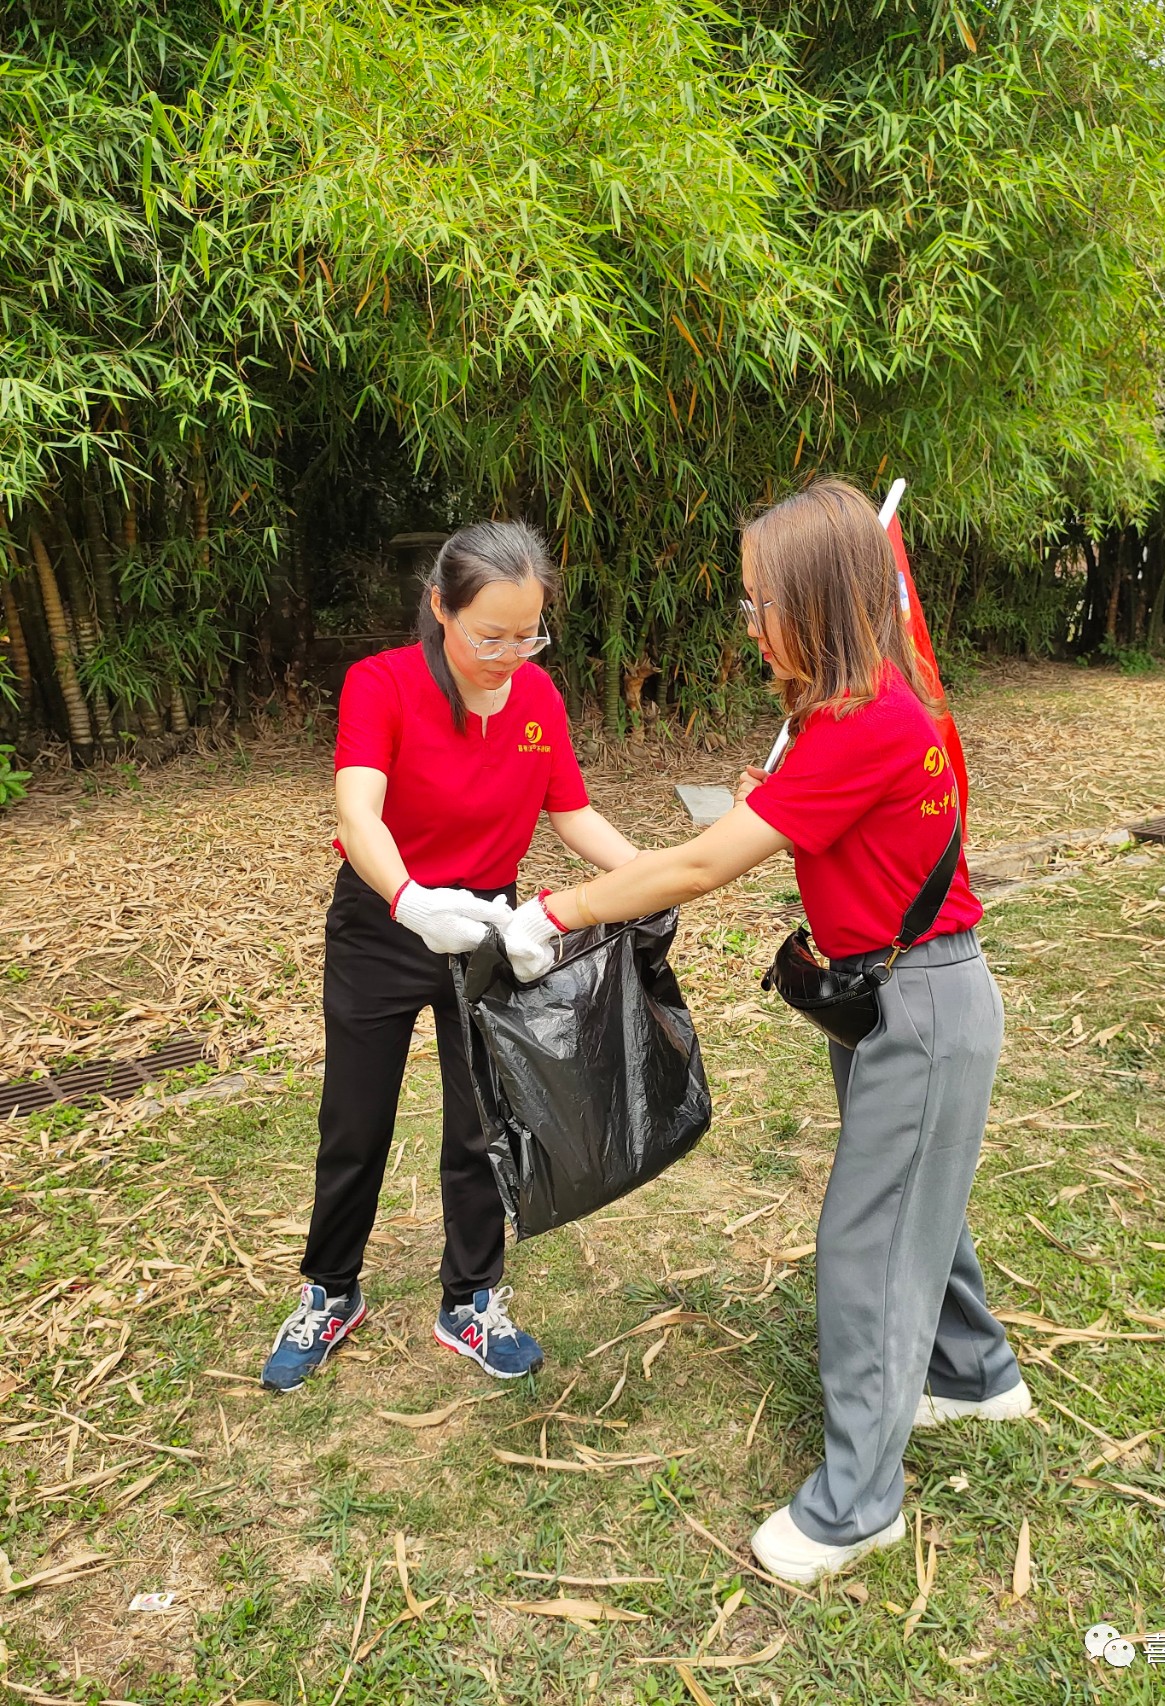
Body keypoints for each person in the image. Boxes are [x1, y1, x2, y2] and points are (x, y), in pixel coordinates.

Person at [501, 479, 1031, 1583]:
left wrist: (551, 909)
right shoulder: (866, 704)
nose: (748, 624)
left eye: (758, 603)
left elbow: (696, 864)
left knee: (867, 1238)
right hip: (902, 995)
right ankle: (973, 1374)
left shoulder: (862, 720)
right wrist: (782, 803)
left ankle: (856, 1504)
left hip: (920, 1006)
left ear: (819, 600)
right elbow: (847, 829)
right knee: (913, 1204)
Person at [261, 520, 636, 1392]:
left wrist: (655, 873)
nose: (509, 655)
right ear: (440, 607)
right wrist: (408, 901)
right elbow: (360, 814)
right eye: (488, 636)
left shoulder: (538, 696)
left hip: (489, 930)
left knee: (481, 1125)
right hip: (386, 919)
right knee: (356, 1118)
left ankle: (471, 1298)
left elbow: (571, 814)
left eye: (528, 634)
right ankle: (330, 1291)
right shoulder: (381, 684)